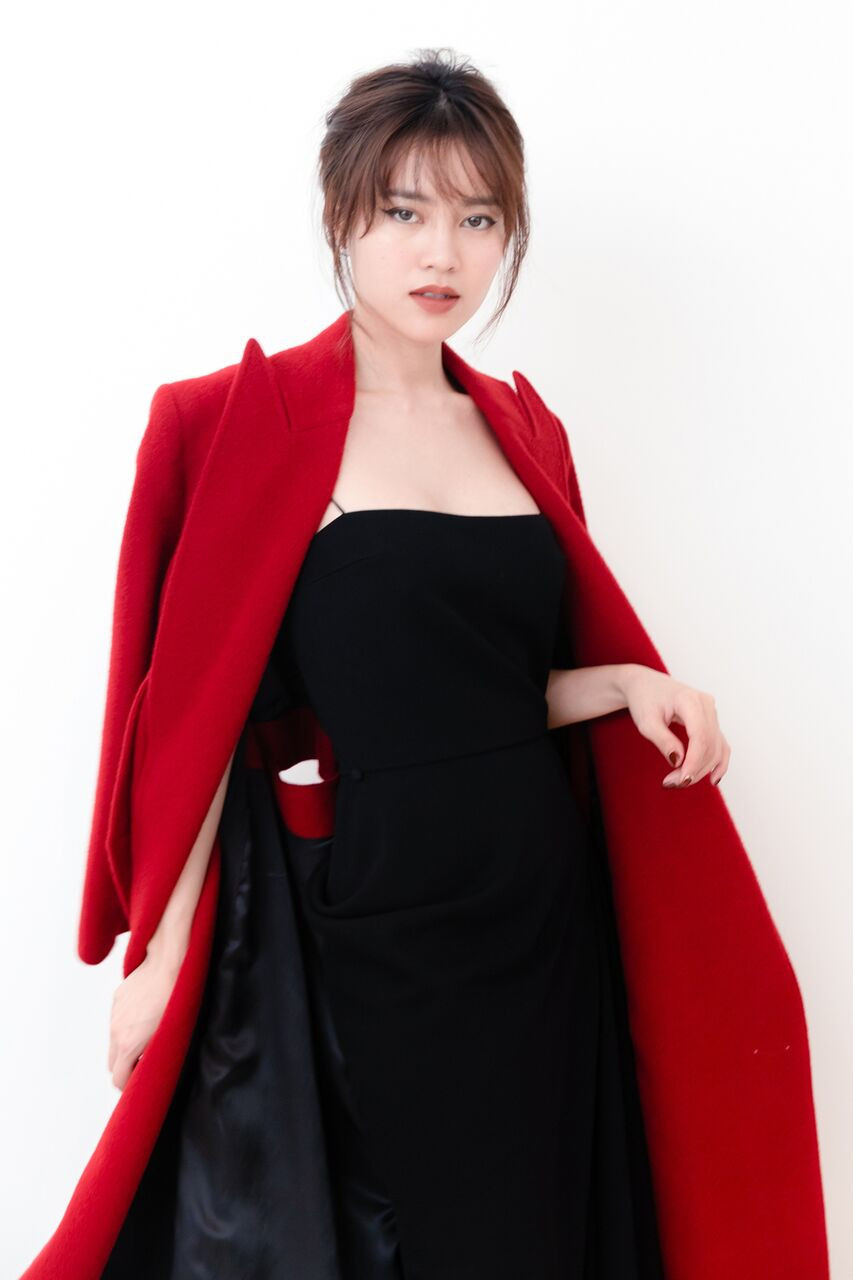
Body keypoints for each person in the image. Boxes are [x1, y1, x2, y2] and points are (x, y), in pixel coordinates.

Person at [23, 46, 828, 1280]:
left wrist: (625, 684)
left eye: (476, 217)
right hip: (384, 919)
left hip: (543, 911)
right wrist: (160, 958)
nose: (440, 253)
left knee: (547, 1237)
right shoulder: (238, 421)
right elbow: (197, 719)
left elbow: (487, 692)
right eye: (403, 212)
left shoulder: (524, 426)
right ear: (341, 214)